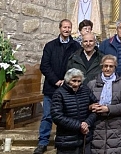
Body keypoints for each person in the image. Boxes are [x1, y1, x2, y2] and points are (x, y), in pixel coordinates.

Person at [34, 19, 81, 154]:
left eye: (69, 27)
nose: (66, 29)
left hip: (68, 87)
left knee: (67, 116)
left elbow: (76, 66)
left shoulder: (76, 47)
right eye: (64, 27)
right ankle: (43, 142)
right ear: (60, 28)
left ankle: (63, 142)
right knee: (48, 116)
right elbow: (45, 66)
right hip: (51, 87)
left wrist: (67, 81)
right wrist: (56, 81)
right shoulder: (50, 46)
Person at [88, 55, 121, 154]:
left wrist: (108, 109)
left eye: (111, 66)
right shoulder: (92, 84)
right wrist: (91, 107)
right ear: (102, 67)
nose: (108, 69)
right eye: (105, 66)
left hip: (116, 127)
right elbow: (85, 103)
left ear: (115, 67)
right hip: (97, 127)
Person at [51, 68, 97, 154]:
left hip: (84, 139)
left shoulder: (86, 90)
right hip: (67, 140)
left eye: (79, 81)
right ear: (67, 80)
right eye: (74, 81)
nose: (76, 84)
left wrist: (87, 123)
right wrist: (79, 126)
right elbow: (57, 116)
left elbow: (95, 108)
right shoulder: (59, 93)